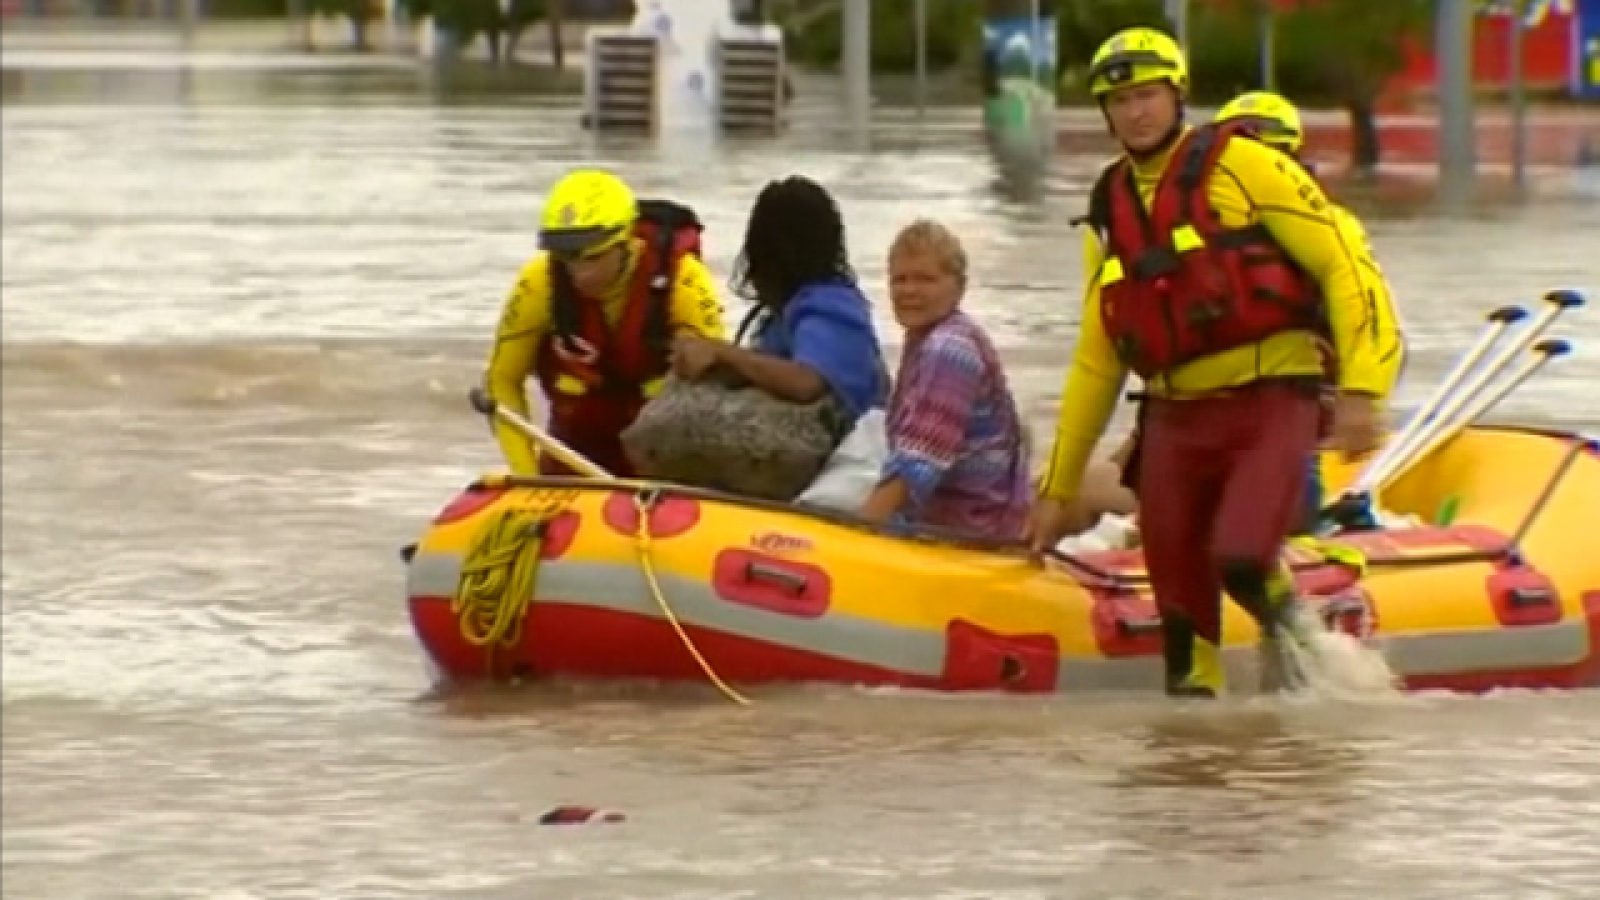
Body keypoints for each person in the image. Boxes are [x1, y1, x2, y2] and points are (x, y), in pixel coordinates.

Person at [1025, 27, 1385, 697]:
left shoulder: (1245, 165)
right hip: (1174, 418)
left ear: (1177, 94)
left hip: (1268, 401)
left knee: (1241, 556)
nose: (1135, 112)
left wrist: (1363, 390)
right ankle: (1193, 749)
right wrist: (1057, 488)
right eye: (1119, 100)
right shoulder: (1108, 210)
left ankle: (1310, 647)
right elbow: (1098, 359)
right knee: (1181, 614)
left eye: (1148, 95)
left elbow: (1343, 267)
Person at [1214, 90, 1409, 531]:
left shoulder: (1328, 226)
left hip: (1295, 401)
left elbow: (1371, 309)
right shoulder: (1197, 230)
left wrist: (1361, 394)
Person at [483, 168, 725, 477]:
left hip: (662, 455)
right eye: (566, 258)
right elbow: (502, 381)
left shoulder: (686, 281)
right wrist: (526, 477)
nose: (579, 272)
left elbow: (715, 386)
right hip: (572, 451)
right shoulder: (537, 283)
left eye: (594, 257)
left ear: (627, 241)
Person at [671, 175, 887, 438]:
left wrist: (724, 352)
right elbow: (766, 370)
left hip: (856, 451)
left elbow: (806, 383)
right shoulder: (786, 313)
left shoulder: (830, 306)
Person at [858, 219, 1031, 537]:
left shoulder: (949, 349)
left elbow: (918, 461)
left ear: (958, 287)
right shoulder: (929, 337)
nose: (909, 290)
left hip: (969, 531)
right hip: (957, 516)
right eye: (899, 279)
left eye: (925, 279)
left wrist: (858, 533)